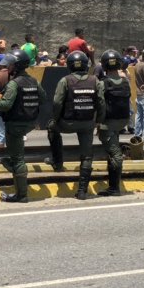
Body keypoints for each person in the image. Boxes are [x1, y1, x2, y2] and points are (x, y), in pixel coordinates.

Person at [49, 50, 104, 197]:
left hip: (68, 122)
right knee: (86, 157)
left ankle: (57, 162)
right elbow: (101, 103)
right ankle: (82, 191)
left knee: (51, 129)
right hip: (87, 123)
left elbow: (56, 102)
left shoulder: (65, 80)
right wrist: (98, 121)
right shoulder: (95, 80)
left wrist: (55, 119)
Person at [0, 51, 46, 203]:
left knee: (17, 160)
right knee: (17, 158)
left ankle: (21, 195)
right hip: (29, 122)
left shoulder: (13, 83)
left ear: (15, 66)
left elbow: (5, 105)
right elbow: (43, 98)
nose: (7, 67)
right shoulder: (34, 81)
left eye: (9, 65)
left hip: (15, 125)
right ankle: (18, 177)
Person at [97, 49, 131, 197]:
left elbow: (100, 105)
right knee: (112, 152)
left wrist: (97, 123)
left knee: (115, 155)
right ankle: (113, 185)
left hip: (108, 124)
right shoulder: (125, 81)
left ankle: (115, 188)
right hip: (121, 122)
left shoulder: (102, 84)